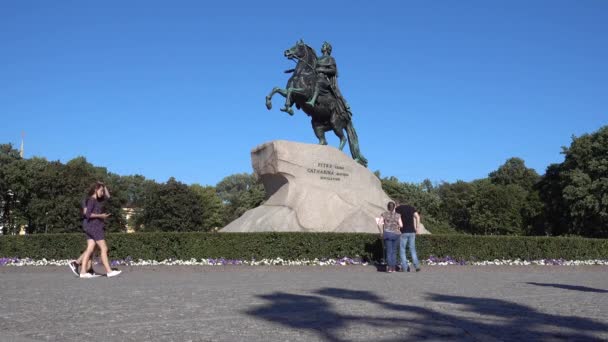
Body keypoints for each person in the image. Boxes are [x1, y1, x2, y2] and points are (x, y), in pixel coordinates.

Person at [78, 182, 121, 278]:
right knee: (104, 248)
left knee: (90, 249)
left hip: (91, 226)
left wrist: (104, 186)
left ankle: (83, 272)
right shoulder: (92, 200)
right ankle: (109, 271)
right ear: (95, 190)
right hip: (95, 226)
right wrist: (101, 216)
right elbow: (88, 214)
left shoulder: (96, 200)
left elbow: (108, 196)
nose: (102, 192)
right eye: (101, 190)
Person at [306, 41, 350, 111]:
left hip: (324, 79)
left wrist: (321, 70)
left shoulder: (330, 59)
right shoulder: (318, 59)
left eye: (323, 46)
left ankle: (313, 100)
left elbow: (333, 70)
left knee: (319, 82)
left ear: (327, 48)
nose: (321, 47)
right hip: (315, 76)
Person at [377, 201, 403, 273]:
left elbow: (379, 224)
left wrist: (381, 232)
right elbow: (401, 225)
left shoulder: (384, 214)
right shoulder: (398, 215)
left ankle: (389, 268)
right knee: (394, 251)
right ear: (394, 207)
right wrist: (397, 226)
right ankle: (394, 268)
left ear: (387, 207)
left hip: (387, 233)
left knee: (388, 251)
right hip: (396, 234)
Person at [395, 202, 421, 272]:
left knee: (402, 250)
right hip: (412, 231)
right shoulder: (411, 208)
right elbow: (417, 216)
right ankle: (417, 266)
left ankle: (405, 268)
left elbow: (397, 219)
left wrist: (397, 227)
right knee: (412, 249)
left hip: (403, 231)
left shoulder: (398, 208)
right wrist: (417, 228)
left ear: (398, 203)